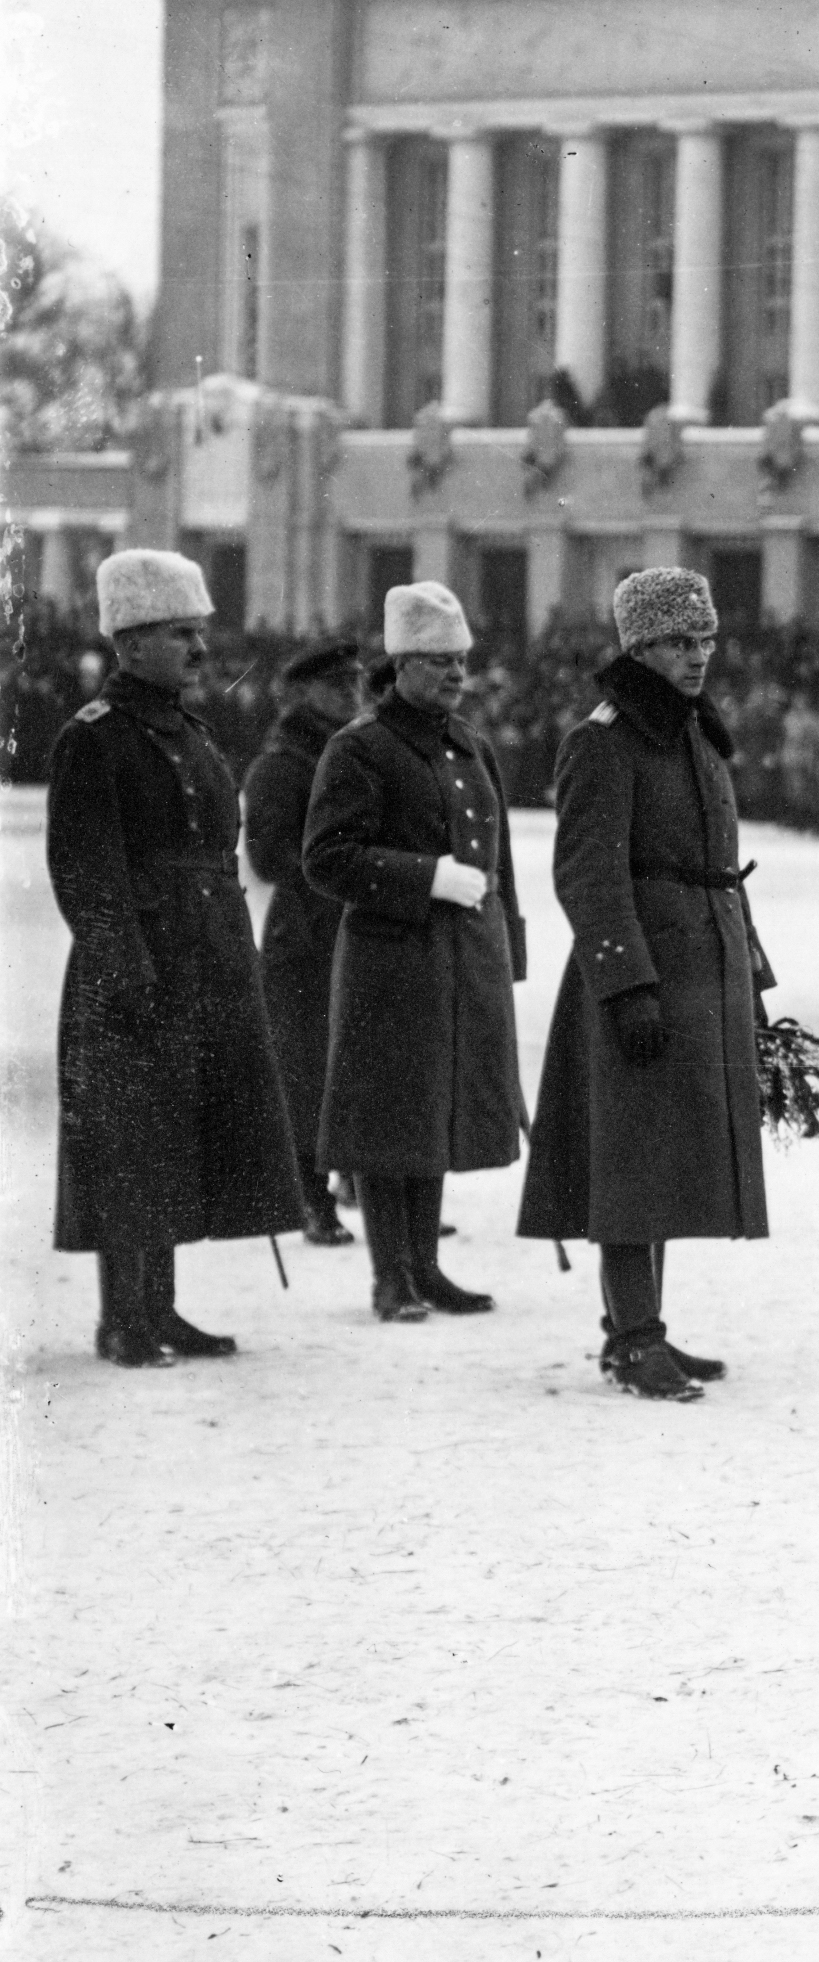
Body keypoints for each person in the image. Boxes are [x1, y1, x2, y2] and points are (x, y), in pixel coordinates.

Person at [518, 566, 772, 1402]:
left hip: (702, 966)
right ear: (639, 646)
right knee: (629, 1160)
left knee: (665, 1158)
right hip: (640, 975)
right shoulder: (605, 739)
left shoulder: (692, 731)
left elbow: (718, 866)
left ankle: (642, 1323)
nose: (697, 656)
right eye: (676, 641)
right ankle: (633, 1338)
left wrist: (753, 974)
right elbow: (588, 876)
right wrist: (626, 987)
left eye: (704, 639)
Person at [46, 549, 301, 1364]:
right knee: (129, 1142)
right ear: (129, 641)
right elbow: (87, 871)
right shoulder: (95, 739)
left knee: (179, 1132)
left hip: (207, 961)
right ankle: (125, 1317)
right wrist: (127, 971)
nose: (199, 649)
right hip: (135, 971)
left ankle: (163, 1306)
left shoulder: (193, 733)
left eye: (200, 631)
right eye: (179, 633)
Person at [303, 583, 527, 1322]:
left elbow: (502, 862)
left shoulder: (472, 745)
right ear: (400, 664)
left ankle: (425, 1266)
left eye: (461, 659)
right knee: (386, 1116)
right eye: (438, 660)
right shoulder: (360, 746)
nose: (457, 674)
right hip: (389, 957)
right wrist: (424, 875)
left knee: (436, 1109)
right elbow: (326, 857)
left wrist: (507, 949)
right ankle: (389, 1275)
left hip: (463, 957)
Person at [243, 640, 366, 1246]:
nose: (351, 695)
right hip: (306, 937)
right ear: (304, 692)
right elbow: (267, 859)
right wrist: (337, 870)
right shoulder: (283, 763)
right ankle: (312, 1200)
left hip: (364, 927)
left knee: (366, 1064)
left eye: (356, 684)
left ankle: (367, 1185)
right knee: (309, 1073)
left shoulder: (364, 749)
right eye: (337, 686)